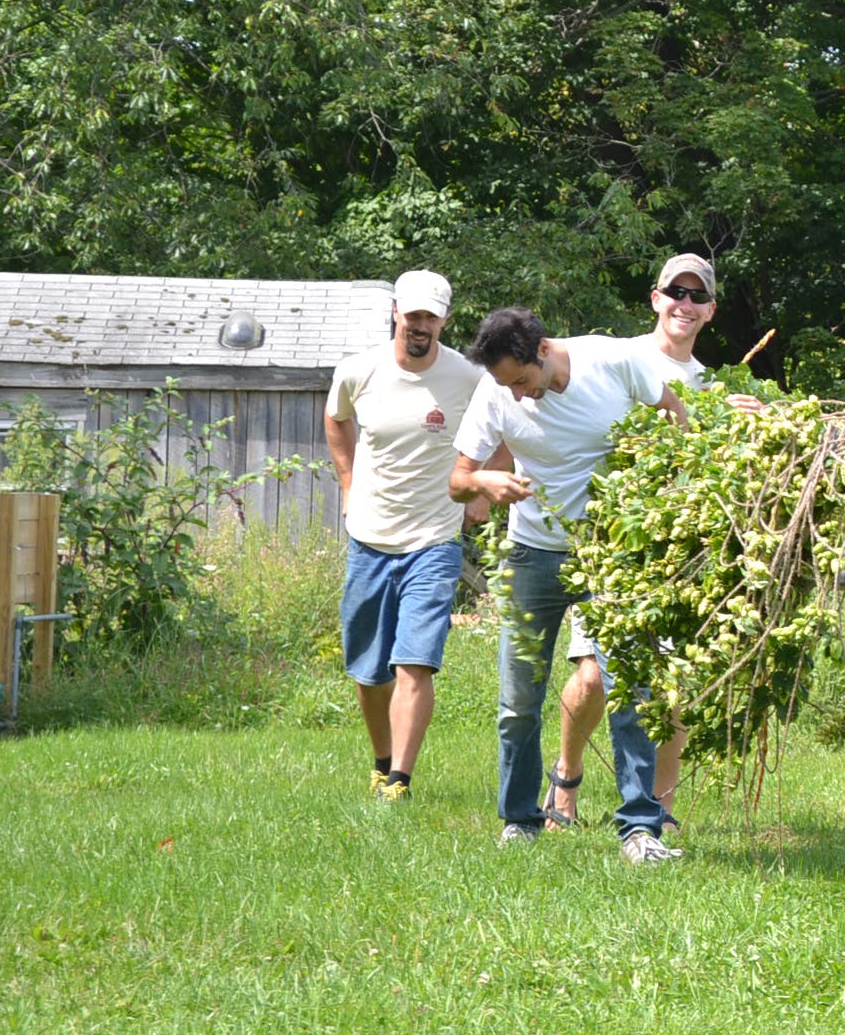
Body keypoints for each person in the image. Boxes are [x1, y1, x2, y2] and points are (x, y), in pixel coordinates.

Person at [450, 301, 691, 860]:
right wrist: (486, 481)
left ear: (543, 349)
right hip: (531, 554)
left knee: (630, 689)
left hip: (610, 552)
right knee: (518, 700)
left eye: (521, 382)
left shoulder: (614, 361)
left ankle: (640, 830)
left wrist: (665, 485)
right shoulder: (495, 391)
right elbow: (457, 481)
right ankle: (520, 821)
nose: (516, 396)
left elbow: (673, 413)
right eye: (506, 386)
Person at [545, 253, 758, 833]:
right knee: (594, 676)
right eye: (675, 292)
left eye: (697, 296)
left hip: (679, 550)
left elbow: (719, 464)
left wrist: (749, 419)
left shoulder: (711, 386)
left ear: (710, 310)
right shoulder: (618, 357)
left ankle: (660, 809)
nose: (685, 304)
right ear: (655, 299)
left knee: (673, 680)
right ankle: (565, 776)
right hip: (613, 542)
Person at [323, 268, 485, 803]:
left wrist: (480, 490)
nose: (420, 325)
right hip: (369, 538)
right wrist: (348, 483)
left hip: (435, 539)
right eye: (412, 314)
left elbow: (499, 428)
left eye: (430, 317)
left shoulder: (467, 377)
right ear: (396, 312)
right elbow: (336, 419)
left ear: (445, 319)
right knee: (370, 670)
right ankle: (381, 761)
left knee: (415, 660)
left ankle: (400, 781)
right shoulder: (359, 370)